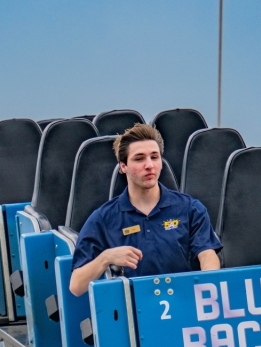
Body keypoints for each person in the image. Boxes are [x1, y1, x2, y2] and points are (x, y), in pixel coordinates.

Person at [69, 123, 221, 295]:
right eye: (139, 158)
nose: (149, 165)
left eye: (154, 157)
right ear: (123, 166)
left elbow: (207, 255)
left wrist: (208, 284)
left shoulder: (191, 209)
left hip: (185, 307)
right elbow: (76, 286)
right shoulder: (102, 219)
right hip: (132, 314)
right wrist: (106, 258)